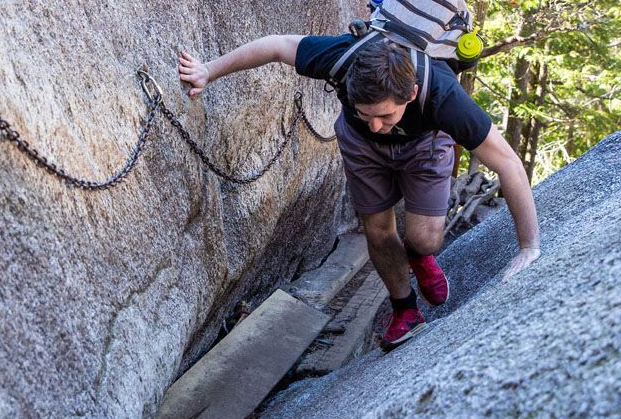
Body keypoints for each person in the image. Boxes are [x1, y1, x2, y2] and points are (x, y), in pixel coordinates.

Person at [177, 20, 541, 351]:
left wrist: (529, 246)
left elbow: (508, 164)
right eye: (366, 112)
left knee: (426, 238)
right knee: (378, 230)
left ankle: (418, 253)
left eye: (385, 114)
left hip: (424, 147)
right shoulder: (343, 58)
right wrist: (208, 70)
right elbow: (277, 45)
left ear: (411, 94)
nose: (377, 125)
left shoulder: (443, 96)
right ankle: (404, 309)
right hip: (360, 146)